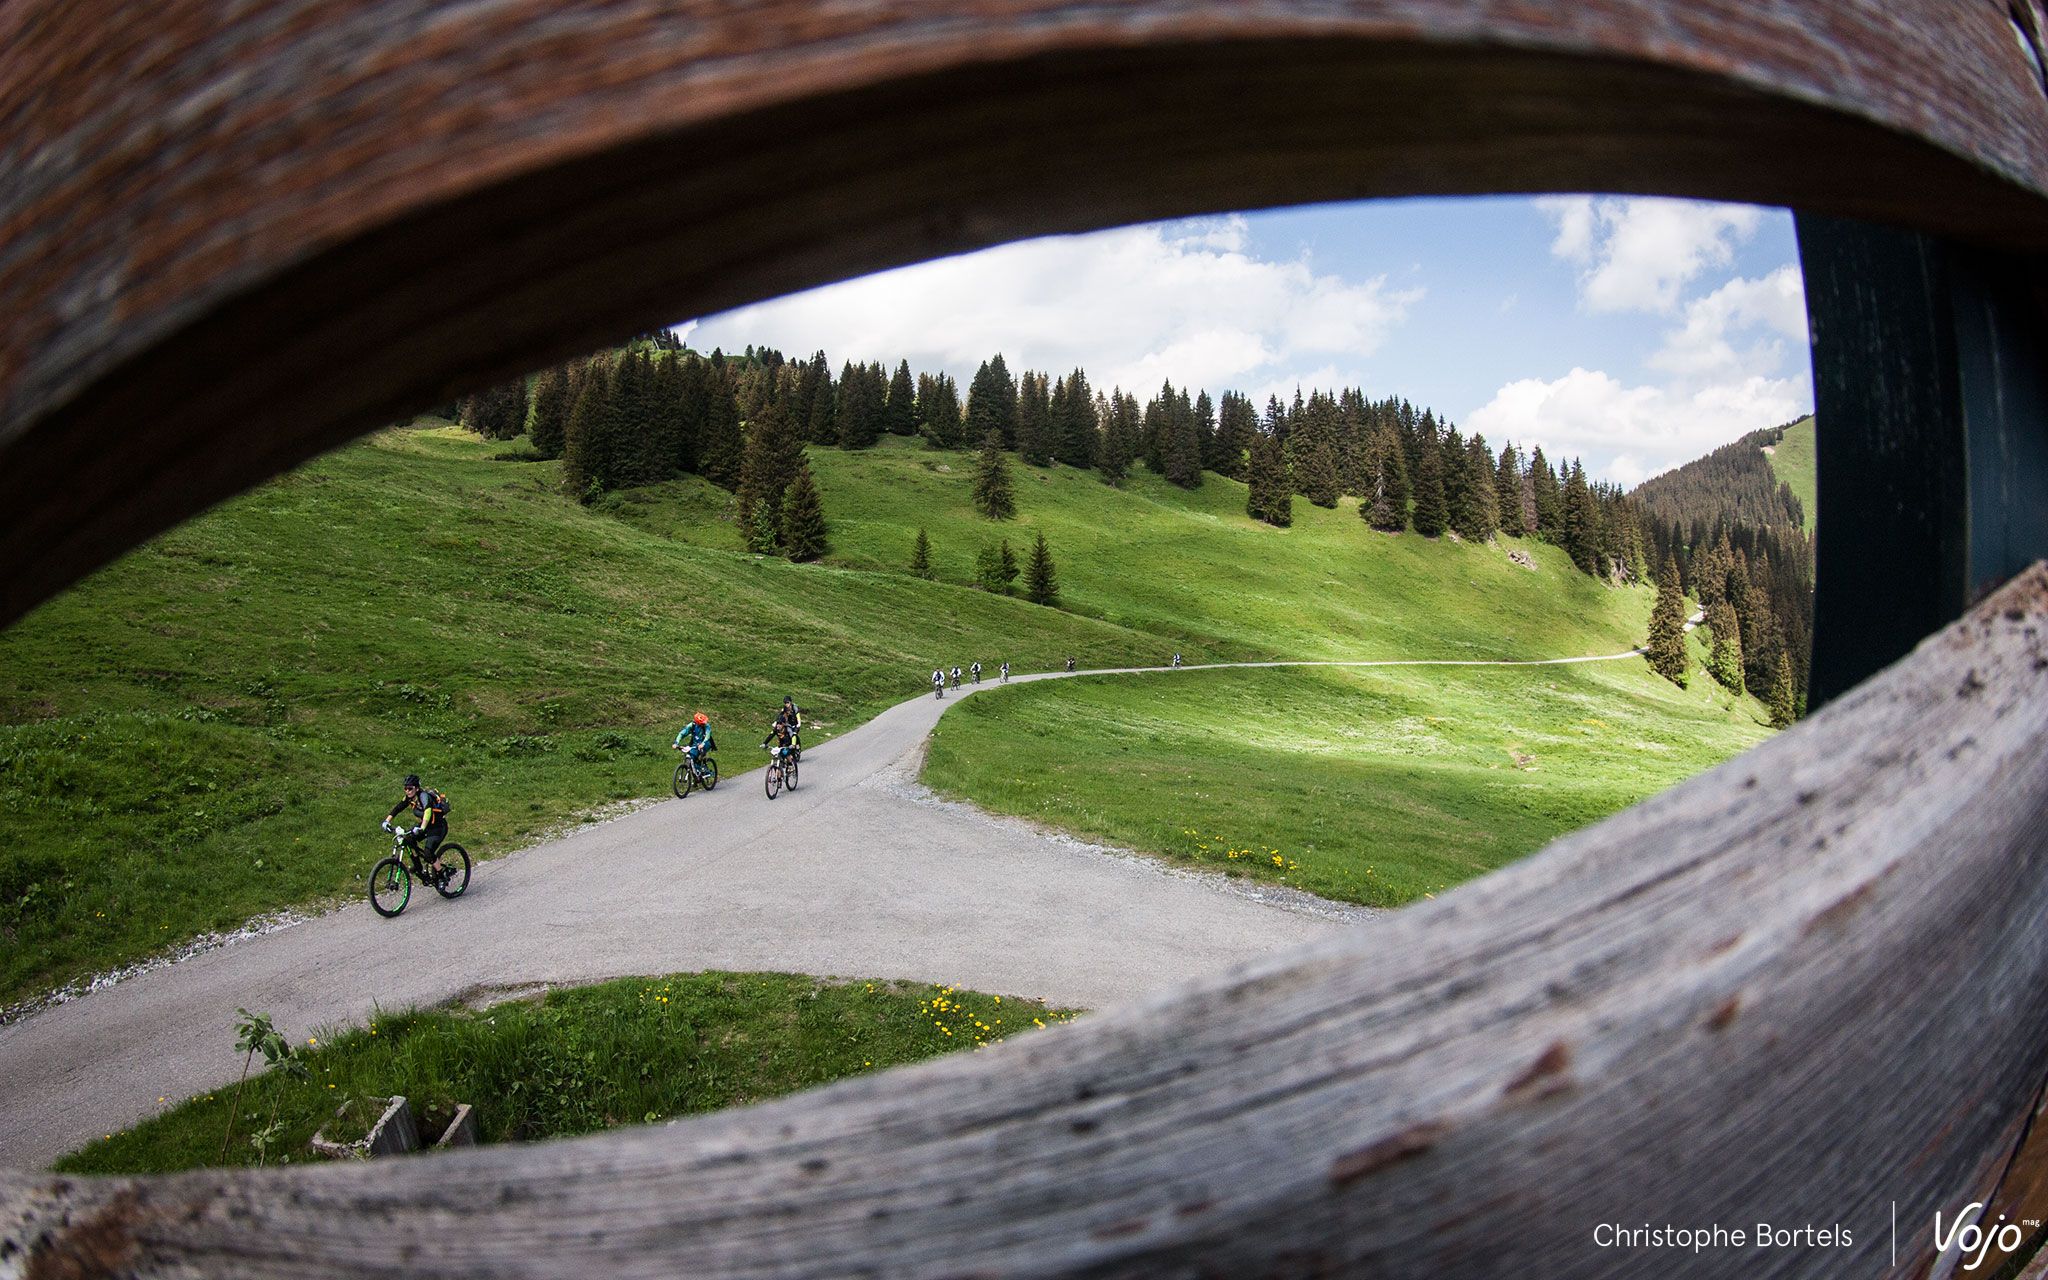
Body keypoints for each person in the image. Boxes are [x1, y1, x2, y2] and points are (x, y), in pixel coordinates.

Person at [383, 774, 451, 879]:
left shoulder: (424, 796)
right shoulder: (410, 798)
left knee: (428, 853)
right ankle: (418, 867)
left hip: (438, 827)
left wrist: (422, 828)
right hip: (427, 825)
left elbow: (427, 812)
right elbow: (398, 808)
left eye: (410, 788)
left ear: (417, 788)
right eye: (405, 788)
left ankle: (442, 876)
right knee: (408, 839)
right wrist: (387, 821)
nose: (407, 791)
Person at [673, 712, 715, 778]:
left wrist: (703, 743)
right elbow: (682, 733)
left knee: (701, 750)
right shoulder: (692, 725)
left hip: (705, 742)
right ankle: (695, 775)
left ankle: (704, 766)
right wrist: (676, 743)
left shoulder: (706, 726)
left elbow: (708, 735)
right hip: (695, 744)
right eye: (701, 723)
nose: (703, 724)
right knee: (692, 757)